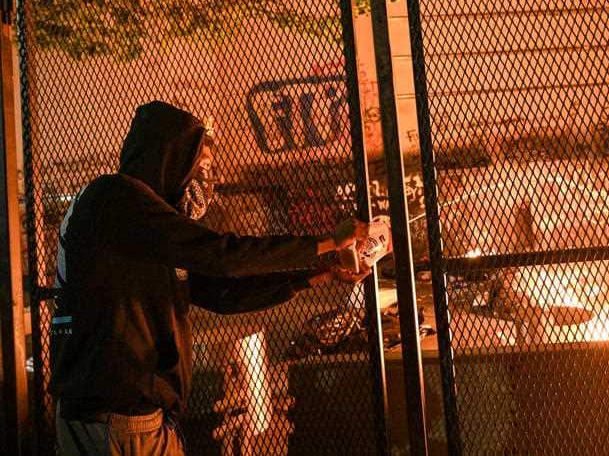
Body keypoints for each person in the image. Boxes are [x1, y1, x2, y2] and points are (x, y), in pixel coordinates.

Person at [50, 101, 374, 455]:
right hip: (120, 420)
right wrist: (328, 241)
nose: (207, 180)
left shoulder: (144, 229)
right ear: (169, 160)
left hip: (113, 416)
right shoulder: (117, 198)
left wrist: (320, 272)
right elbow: (223, 257)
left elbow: (222, 293)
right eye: (200, 166)